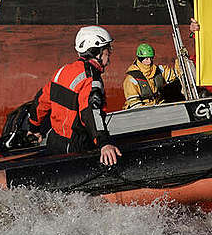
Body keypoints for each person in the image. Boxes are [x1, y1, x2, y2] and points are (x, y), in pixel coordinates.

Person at [28, 25, 122, 165]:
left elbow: (41, 101)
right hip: (76, 145)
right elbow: (91, 113)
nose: (110, 53)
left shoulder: (62, 71)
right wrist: (104, 143)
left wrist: (34, 129)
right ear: (97, 51)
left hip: (55, 142)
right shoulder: (91, 79)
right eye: (108, 48)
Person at [122, 43, 180, 108]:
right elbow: (134, 104)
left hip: (158, 105)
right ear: (140, 59)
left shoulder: (159, 70)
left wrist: (180, 62)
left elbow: (175, 75)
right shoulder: (131, 80)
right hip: (142, 110)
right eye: (146, 59)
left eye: (151, 58)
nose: (149, 61)